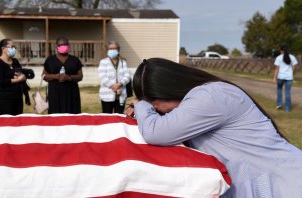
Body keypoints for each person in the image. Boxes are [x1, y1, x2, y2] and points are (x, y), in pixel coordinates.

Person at [125, 58, 302, 198]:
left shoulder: (210, 96)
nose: (155, 110)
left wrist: (140, 106)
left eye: (154, 104)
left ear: (169, 89)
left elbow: (155, 133)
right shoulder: (205, 95)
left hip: (287, 185)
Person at [0, 38, 31, 115]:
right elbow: (1, 82)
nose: (14, 49)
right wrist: (17, 80)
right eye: (11, 47)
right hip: (4, 99)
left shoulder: (15, 61)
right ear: (3, 48)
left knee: (18, 123)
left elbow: (22, 74)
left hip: (18, 98)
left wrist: (23, 77)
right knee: (6, 124)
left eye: (14, 47)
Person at [43, 36, 83, 114]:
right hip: (54, 93)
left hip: (71, 93)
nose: (63, 46)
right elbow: (44, 75)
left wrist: (68, 77)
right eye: (60, 45)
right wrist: (54, 76)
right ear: (56, 47)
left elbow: (80, 76)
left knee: (72, 116)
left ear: (69, 46)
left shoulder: (75, 60)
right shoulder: (50, 59)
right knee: (55, 117)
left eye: (65, 44)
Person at [98, 41, 131, 113]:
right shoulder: (103, 62)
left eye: (114, 48)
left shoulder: (123, 62)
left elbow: (127, 76)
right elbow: (102, 77)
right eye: (110, 49)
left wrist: (120, 84)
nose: (112, 50)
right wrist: (114, 87)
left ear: (118, 50)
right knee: (106, 117)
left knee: (119, 118)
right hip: (106, 94)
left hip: (121, 95)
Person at [273, 44, 298, 112]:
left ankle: (279, 104)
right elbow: (295, 66)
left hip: (280, 77)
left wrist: (274, 77)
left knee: (279, 90)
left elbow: (277, 68)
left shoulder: (278, 57)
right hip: (289, 77)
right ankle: (287, 109)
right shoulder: (292, 57)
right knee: (287, 92)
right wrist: (292, 73)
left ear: (281, 50)